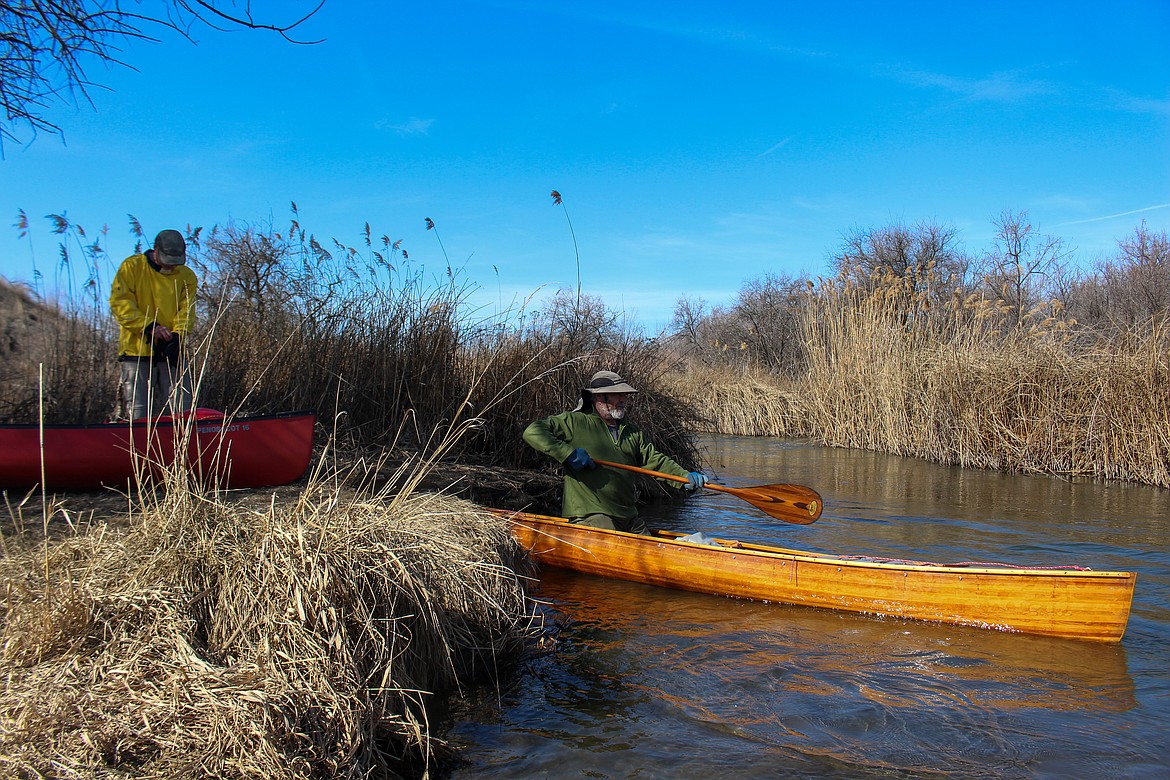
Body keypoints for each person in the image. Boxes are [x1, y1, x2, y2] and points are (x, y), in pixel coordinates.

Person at [523, 369, 706, 534]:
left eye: (624, 395)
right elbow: (533, 432)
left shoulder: (632, 431)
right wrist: (567, 453)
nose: (623, 399)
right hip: (590, 515)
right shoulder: (574, 421)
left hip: (629, 517)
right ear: (599, 398)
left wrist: (683, 478)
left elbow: (655, 460)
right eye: (617, 395)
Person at [109, 229, 197, 421]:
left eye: (176, 260)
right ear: (155, 250)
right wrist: (150, 327)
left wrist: (177, 335)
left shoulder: (187, 276)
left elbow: (187, 309)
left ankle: (180, 449)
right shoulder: (132, 267)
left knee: (183, 412)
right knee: (138, 415)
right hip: (136, 353)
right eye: (167, 259)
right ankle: (135, 449)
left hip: (172, 353)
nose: (171, 265)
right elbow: (120, 303)